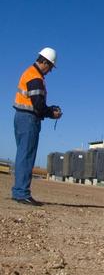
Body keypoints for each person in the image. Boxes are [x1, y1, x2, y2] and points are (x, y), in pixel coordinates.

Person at [12, 47, 63, 206]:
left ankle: (19, 191)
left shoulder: (29, 72)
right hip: (28, 120)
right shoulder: (35, 78)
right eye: (50, 67)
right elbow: (38, 106)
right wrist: (51, 113)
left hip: (21, 117)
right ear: (45, 63)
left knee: (22, 155)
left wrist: (47, 109)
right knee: (26, 157)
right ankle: (22, 193)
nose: (49, 71)